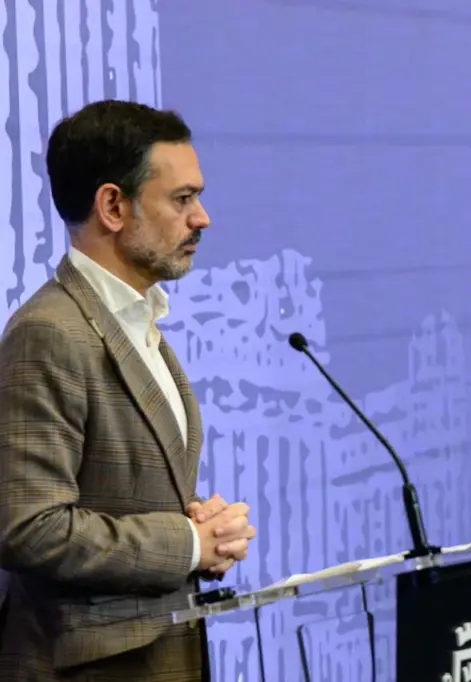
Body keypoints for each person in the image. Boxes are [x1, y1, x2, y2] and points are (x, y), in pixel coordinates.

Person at [0, 100, 255, 682]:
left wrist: (197, 523)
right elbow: (29, 528)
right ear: (113, 206)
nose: (203, 218)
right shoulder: (50, 332)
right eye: (182, 199)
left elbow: (120, 492)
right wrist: (187, 542)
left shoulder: (138, 325)